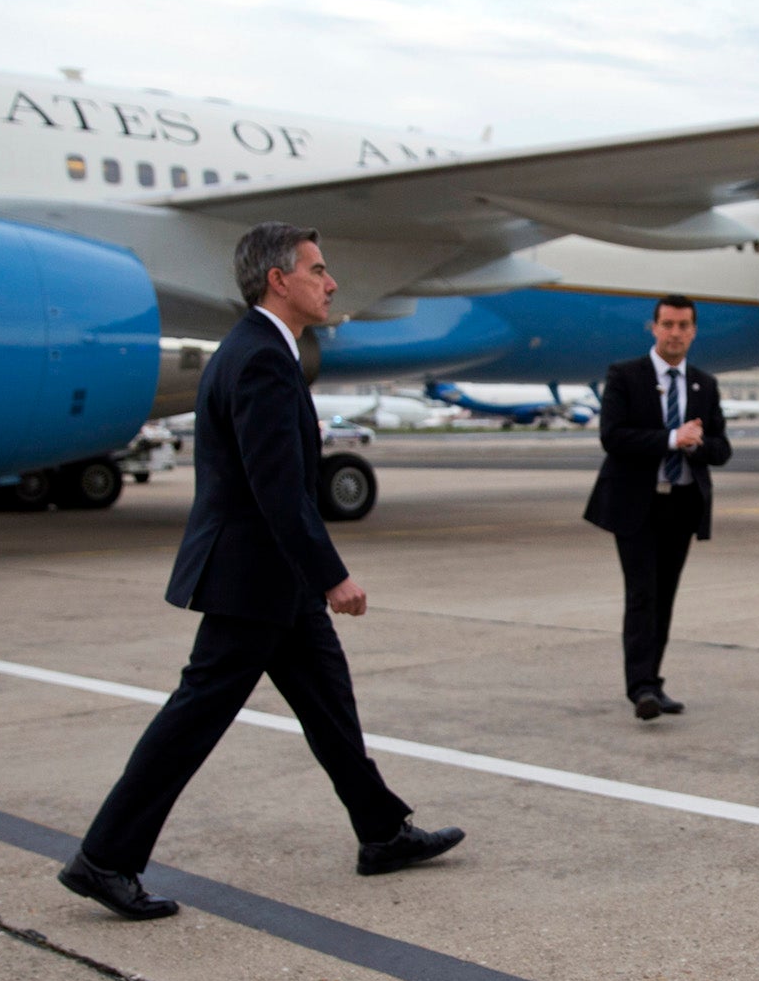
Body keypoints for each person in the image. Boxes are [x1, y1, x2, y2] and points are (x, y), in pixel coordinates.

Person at [59, 224, 465, 921]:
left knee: (330, 707)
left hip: (274, 581)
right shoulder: (260, 360)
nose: (331, 282)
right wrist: (332, 575)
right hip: (252, 580)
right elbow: (277, 487)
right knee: (195, 718)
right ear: (280, 280)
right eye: (318, 269)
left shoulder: (260, 350)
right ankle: (104, 859)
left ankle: (380, 832)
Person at [584, 296, 733, 720]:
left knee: (664, 598)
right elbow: (613, 437)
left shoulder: (704, 384)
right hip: (636, 504)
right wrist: (671, 439)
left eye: (683, 325)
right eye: (667, 324)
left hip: (682, 505)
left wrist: (698, 442)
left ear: (694, 331)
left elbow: (722, 448)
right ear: (653, 328)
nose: (675, 333)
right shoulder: (625, 375)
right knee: (642, 595)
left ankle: (653, 681)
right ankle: (641, 688)